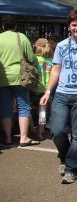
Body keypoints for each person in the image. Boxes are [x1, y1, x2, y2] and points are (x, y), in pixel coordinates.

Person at [39, 10, 77, 184]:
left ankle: (71, 168)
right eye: (74, 24)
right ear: (69, 27)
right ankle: (65, 157)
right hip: (62, 93)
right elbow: (56, 70)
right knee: (56, 131)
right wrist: (48, 91)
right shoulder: (61, 46)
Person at [0, 16, 40, 147]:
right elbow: (31, 57)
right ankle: (23, 137)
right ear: (16, 26)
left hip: (3, 76)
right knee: (23, 105)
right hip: (20, 76)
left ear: (3, 26)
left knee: (5, 107)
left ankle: (7, 138)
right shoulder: (21, 37)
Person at [32, 38, 54, 141]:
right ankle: (41, 131)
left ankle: (34, 130)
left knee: (30, 109)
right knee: (42, 111)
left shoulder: (34, 59)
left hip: (34, 89)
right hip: (46, 90)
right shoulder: (51, 60)